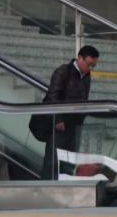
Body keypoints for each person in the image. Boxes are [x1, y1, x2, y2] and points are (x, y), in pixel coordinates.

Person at [40, 45, 99, 180]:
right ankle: (47, 189)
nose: (90, 68)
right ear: (80, 58)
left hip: (75, 124)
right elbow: (53, 96)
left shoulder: (86, 76)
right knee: (52, 161)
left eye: (93, 66)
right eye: (89, 64)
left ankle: (65, 189)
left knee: (69, 162)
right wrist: (58, 118)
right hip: (60, 124)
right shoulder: (63, 71)